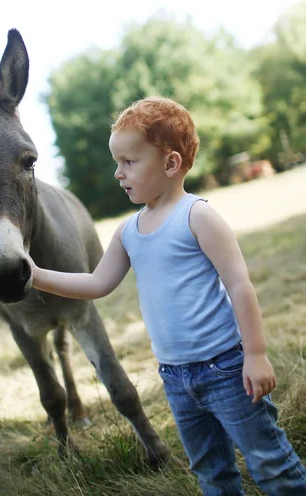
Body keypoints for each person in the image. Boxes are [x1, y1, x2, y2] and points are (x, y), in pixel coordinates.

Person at [30, 96, 306, 495]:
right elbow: (96, 285)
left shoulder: (197, 216)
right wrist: (37, 276)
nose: (117, 173)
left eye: (129, 162)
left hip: (227, 369)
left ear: (171, 163)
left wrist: (256, 354)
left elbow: (239, 284)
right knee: (211, 471)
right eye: (116, 162)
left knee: (269, 461)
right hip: (176, 378)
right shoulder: (128, 231)